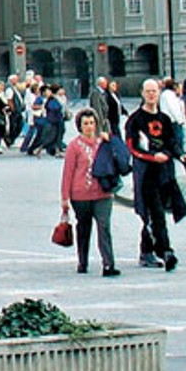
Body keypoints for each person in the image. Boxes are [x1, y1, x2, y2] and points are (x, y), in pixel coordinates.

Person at [126, 79, 179, 271]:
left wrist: (178, 155)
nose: (151, 94)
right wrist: (151, 156)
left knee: (155, 215)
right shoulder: (136, 119)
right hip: (146, 173)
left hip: (164, 173)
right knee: (155, 213)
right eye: (148, 91)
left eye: (154, 91)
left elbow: (171, 141)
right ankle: (166, 251)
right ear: (142, 93)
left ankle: (146, 251)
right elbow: (132, 146)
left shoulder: (164, 119)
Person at [61, 108, 119, 277]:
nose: (89, 127)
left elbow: (118, 157)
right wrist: (65, 197)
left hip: (103, 192)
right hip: (80, 194)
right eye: (85, 123)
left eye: (92, 123)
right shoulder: (74, 146)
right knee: (84, 229)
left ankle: (109, 264)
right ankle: (82, 261)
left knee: (104, 227)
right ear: (79, 125)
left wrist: (111, 140)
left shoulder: (103, 142)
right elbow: (68, 172)